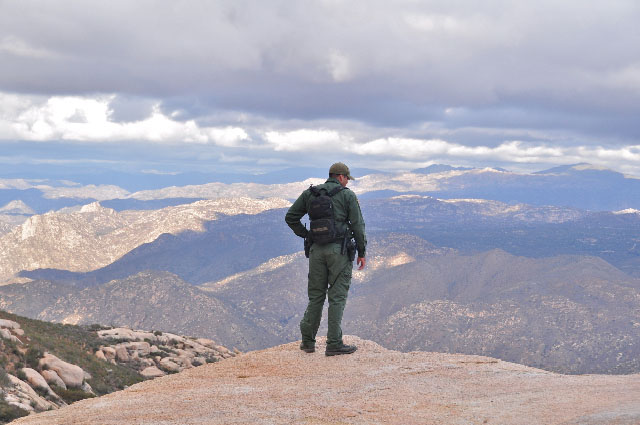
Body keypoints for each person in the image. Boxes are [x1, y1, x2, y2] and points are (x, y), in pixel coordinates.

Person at [285, 162, 367, 356]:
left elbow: (291, 217)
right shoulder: (347, 195)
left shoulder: (310, 194)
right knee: (337, 297)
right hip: (339, 251)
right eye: (347, 179)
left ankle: (307, 342)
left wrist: (307, 235)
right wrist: (362, 252)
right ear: (341, 177)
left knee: (316, 296)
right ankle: (334, 343)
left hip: (316, 251)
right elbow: (358, 225)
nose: (347, 182)